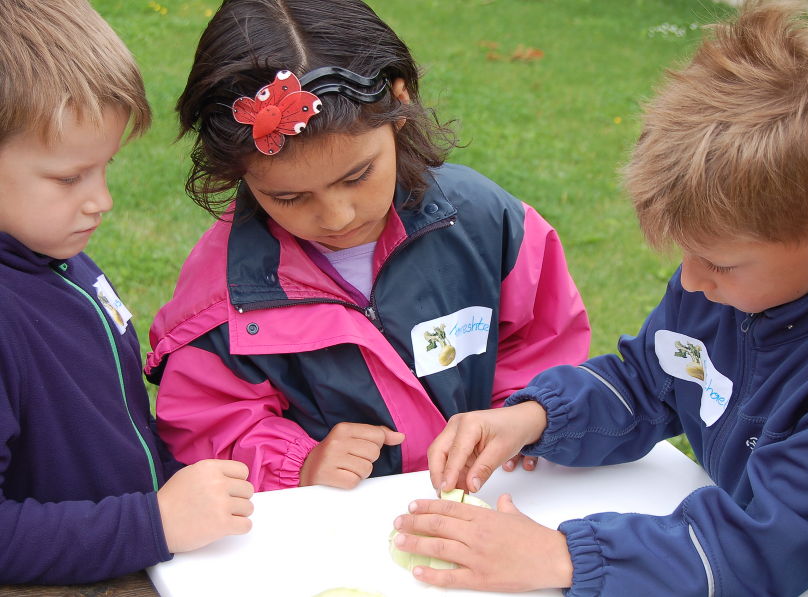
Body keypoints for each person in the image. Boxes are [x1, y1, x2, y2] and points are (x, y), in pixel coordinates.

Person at [391, 2, 808, 596]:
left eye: (718, 262)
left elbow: (767, 544)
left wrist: (566, 557)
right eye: (685, 254)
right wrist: (533, 417)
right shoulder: (736, 283)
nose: (689, 283)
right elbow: (649, 380)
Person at [144, 0, 590, 492]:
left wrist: (521, 415)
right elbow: (208, 423)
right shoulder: (220, 298)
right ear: (237, 172)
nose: (336, 217)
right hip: (333, 536)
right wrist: (300, 464)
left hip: (488, 501)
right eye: (287, 197)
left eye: (358, 176)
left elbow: (544, 339)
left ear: (398, 104)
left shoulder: (490, 223)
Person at [0, 0, 254, 584]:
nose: (103, 200)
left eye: (105, 167)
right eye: (69, 178)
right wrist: (152, 523)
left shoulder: (54, 257)